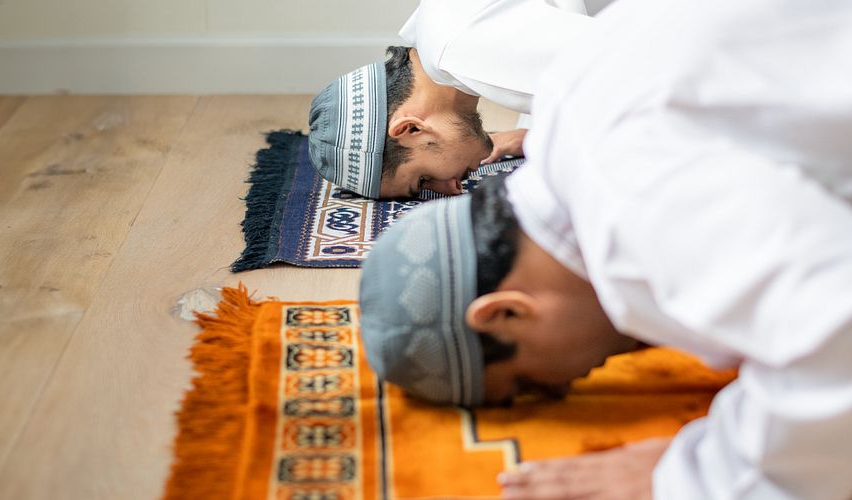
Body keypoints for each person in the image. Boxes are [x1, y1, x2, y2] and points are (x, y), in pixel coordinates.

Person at [358, 0, 852, 497]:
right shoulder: (571, 124)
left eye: (535, 384)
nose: (576, 383)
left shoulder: (629, 201)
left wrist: (699, 474)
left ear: (504, 313)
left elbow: (836, 331)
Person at [307, 0, 604, 199]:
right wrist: (538, 135)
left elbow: (640, 71)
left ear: (410, 128)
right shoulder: (436, 29)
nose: (452, 189)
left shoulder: (465, 48)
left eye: (423, 180)